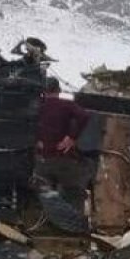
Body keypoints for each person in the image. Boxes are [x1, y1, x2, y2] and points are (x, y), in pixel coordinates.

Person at [34, 77, 92, 216]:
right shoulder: (66, 105)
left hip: (42, 159)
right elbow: (84, 116)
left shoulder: (37, 105)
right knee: (73, 194)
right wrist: (72, 138)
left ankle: (45, 226)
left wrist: (36, 140)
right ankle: (74, 227)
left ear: (43, 91)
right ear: (59, 90)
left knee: (44, 195)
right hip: (63, 159)